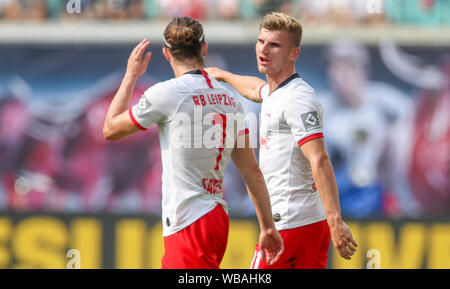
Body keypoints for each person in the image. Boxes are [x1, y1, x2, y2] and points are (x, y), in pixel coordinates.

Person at [103, 16, 283, 269]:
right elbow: (251, 169)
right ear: (204, 49)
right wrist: (267, 226)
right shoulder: (230, 99)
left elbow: (111, 129)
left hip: (189, 219)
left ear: (166, 54)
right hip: (216, 217)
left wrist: (131, 76)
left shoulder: (166, 93)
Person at [205, 12, 357, 269]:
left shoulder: (298, 99)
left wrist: (336, 221)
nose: (263, 49)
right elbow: (256, 89)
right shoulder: (277, 92)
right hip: (309, 222)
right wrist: (223, 75)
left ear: (293, 54)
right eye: (260, 41)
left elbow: (319, 159)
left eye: (274, 45)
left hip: (288, 223)